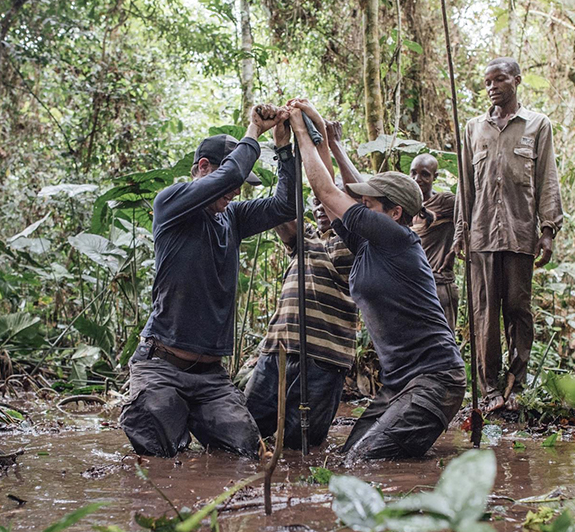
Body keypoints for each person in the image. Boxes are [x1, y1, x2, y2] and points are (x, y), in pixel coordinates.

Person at [288, 100, 466, 460]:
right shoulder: (369, 243)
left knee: (364, 463)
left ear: (394, 213)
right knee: (348, 458)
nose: (360, 206)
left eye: (370, 204)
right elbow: (340, 189)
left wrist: (300, 132)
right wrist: (317, 126)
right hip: (398, 386)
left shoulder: (396, 237)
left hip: (434, 381)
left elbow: (328, 193)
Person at [120, 104, 296, 458]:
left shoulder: (232, 217)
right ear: (203, 168)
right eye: (232, 183)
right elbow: (229, 178)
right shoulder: (171, 202)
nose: (236, 192)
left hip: (211, 378)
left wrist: (284, 148)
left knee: (245, 454)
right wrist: (253, 130)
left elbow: (285, 206)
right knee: (159, 458)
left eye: (242, 187)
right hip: (161, 367)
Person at [452, 57, 564, 412]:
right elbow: (465, 186)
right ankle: (488, 390)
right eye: (487, 81)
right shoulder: (473, 129)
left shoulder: (537, 125)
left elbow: (547, 177)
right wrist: (460, 230)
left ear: (517, 80)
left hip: (519, 233)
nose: (492, 87)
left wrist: (548, 229)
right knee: (483, 311)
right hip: (481, 235)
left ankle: (516, 385)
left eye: (499, 79)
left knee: (518, 307)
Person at [243, 118, 358, 450]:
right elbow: (281, 211)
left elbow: (336, 192)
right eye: (316, 205)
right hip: (278, 354)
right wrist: (283, 147)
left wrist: (321, 141)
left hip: (325, 360)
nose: (322, 208)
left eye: (329, 203)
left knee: (302, 448)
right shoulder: (304, 239)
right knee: (246, 436)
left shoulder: (358, 243)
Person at [409, 153, 459, 331]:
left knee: (443, 345)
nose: (417, 179)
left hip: (438, 285)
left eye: (425, 174)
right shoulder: (408, 208)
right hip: (413, 286)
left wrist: (456, 248)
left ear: (435, 177)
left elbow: (474, 216)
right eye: (413, 173)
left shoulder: (445, 202)